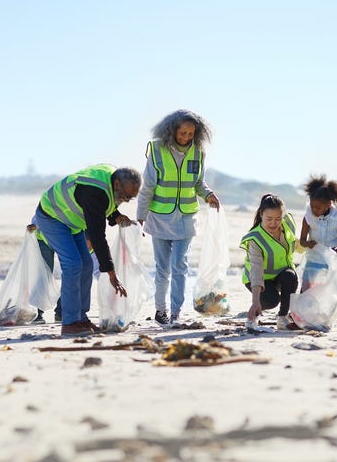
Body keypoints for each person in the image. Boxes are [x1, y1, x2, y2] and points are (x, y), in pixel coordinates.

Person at [35, 163, 141, 336]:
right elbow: (98, 236)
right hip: (52, 216)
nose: (126, 200)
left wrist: (115, 215)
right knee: (73, 265)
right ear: (116, 185)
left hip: (73, 221)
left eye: (131, 197)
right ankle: (69, 322)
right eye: (125, 195)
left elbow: (105, 206)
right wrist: (112, 274)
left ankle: (81, 318)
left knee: (86, 265)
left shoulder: (112, 180)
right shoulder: (95, 192)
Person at [136, 109, 220, 327]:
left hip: (186, 217)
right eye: (182, 132)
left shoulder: (198, 152)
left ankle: (175, 312)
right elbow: (148, 186)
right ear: (172, 130)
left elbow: (198, 184)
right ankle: (160, 311)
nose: (186, 137)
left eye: (191, 133)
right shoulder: (156, 150)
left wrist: (209, 195)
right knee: (162, 269)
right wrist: (140, 216)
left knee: (180, 266)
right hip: (160, 217)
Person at [240, 194, 300, 330]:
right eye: (269, 219)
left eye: (278, 219)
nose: (274, 223)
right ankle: (254, 313)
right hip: (257, 280)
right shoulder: (255, 238)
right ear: (261, 214)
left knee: (290, 276)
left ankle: (283, 317)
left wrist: (309, 244)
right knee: (271, 301)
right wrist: (255, 301)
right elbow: (256, 271)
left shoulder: (287, 225)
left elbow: (294, 243)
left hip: (280, 276)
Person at [299, 175, 337, 325]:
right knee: (306, 286)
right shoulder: (308, 217)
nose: (314, 210)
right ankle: (299, 316)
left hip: (333, 257)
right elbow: (302, 241)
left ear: (328, 204)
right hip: (314, 256)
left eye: (318, 207)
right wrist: (309, 244)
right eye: (313, 206)